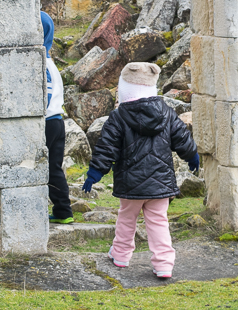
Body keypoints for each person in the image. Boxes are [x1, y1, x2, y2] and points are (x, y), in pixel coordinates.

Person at [83, 62, 199, 279]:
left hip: (130, 183)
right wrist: (192, 156)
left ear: (124, 88)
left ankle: (121, 255)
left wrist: (95, 173)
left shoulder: (117, 117)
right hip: (160, 183)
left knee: (127, 219)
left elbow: (106, 149)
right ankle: (164, 263)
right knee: (158, 221)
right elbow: (182, 139)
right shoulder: (166, 112)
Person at [42, 12, 74, 225]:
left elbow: (47, 91)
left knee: (43, 166)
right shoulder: (50, 62)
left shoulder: (42, 63)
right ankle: (63, 211)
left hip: (46, 121)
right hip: (56, 120)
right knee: (54, 168)